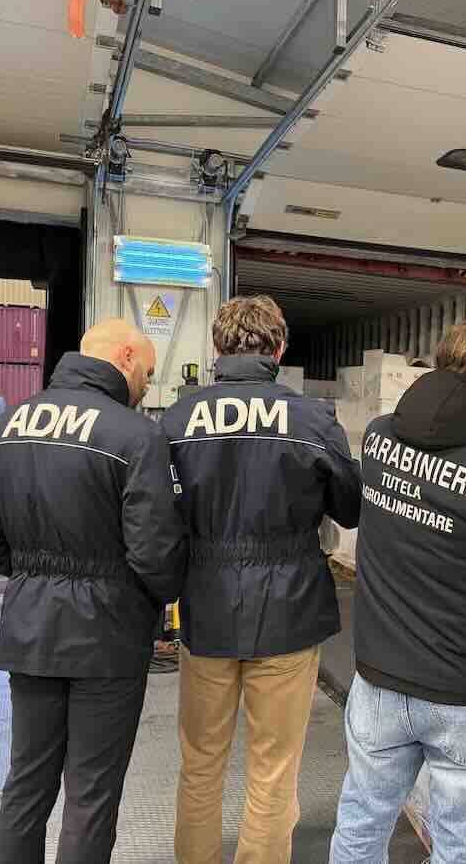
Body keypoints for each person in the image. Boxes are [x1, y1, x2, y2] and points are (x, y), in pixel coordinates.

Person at [0, 318, 187, 864]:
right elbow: (154, 554)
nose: (147, 385)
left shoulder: (6, 426)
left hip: (30, 631)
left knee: (26, 784)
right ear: (125, 356)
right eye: (147, 372)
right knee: (91, 794)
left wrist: (33, 576)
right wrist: (150, 601)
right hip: (108, 640)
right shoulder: (136, 435)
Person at [329, 318, 466, 864]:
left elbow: (433, 481)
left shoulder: (379, 438)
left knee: (361, 825)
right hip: (465, 693)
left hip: (381, 677)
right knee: (459, 846)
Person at [160, 296, 362, 864]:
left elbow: (155, 516)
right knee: (274, 771)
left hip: (206, 610)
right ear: (280, 348)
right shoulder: (312, 419)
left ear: (217, 348)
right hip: (289, 612)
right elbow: (350, 508)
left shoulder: (178, 419)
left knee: (200, 764)